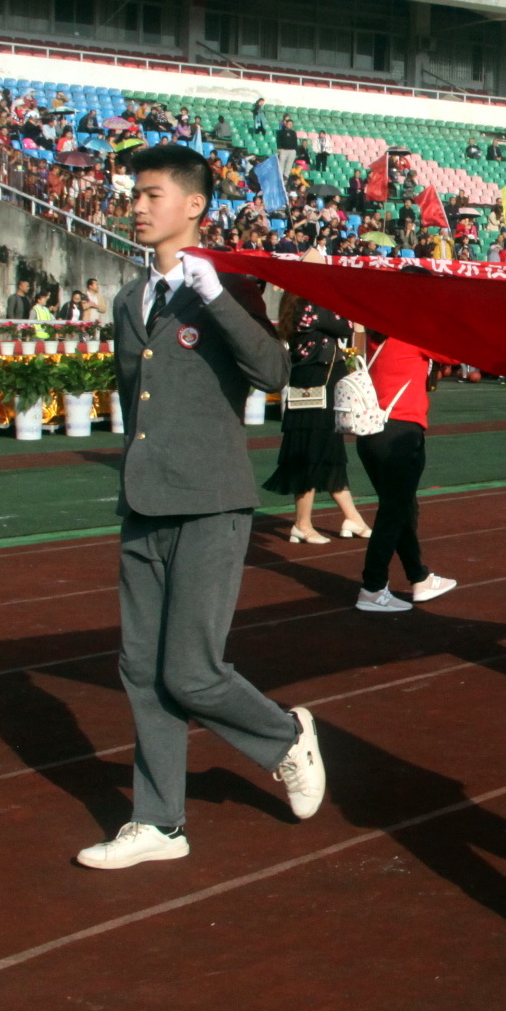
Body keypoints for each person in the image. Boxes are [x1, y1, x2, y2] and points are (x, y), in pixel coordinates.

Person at [79, 143, 320, 870]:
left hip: (213, 501)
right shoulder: (130, 299)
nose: (139, 205)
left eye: (154, 194)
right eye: (136, 194)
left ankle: (283, 738)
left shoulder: (228, 288)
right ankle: (159, 820)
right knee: (141, 668)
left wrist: (216, 294)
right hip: (145, 502)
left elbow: (275, 372)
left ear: (194, 206)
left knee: (191, 669)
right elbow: (137, 402)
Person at [355, 296, 458, 613]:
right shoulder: (413, 335)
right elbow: (454, 352)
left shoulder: (377, 335)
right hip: (401, 432)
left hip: (371, 432)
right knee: (394, 511)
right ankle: (372, 587)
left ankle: (419, 577)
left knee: (402, 508)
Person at [264, 285, 373, 544]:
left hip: (314, 382)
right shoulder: (311, 305)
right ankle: (302, 523)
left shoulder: (297, 304)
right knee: (311, 451)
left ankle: (352, 517)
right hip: (317, 384)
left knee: (325, 450)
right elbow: (344, 326)